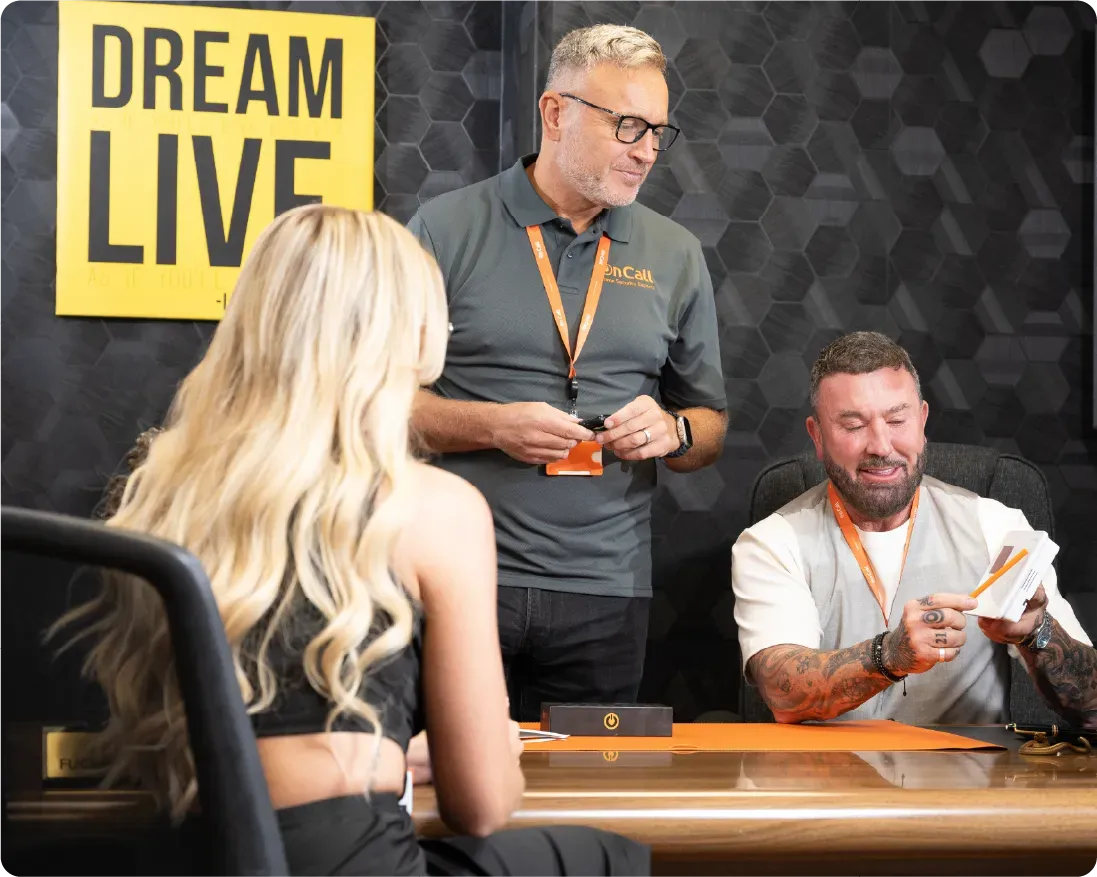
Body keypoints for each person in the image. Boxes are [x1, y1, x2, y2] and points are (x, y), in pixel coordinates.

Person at [52, 204, 649, 876]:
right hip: (350, 860)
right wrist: (495, 752)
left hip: (179, 856)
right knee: (610, 857)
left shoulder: (161, 491)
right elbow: (480, 805)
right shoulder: (433, 508)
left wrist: (386, 754)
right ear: (411, 333)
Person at [406, 25, 728, 722]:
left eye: (658, 132)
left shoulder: (675, 253)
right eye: (628, 126)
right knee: (451, 778)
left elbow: (708, 427)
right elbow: (379, 404)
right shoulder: (444, 228)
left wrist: (672, 431)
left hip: (607, 591)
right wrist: (493, 426)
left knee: (588, 785)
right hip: (456, 572)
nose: (646, 150)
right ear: (556, 113)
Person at [732, 331, 1097, 727]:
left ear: (922, 421)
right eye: (853, 425)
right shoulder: (771, 542)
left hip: (969, 766)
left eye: (896, 420)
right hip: (827, 767)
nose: (881, 445)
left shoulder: (996, 526)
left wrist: (1037, 633)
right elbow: (782, 692)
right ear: (817, 436)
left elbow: (1092, 706)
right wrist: (889, 654)